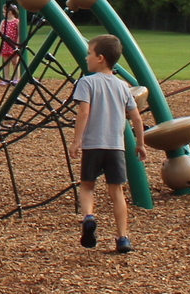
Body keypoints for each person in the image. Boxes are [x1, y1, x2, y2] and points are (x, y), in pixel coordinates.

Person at [68, 34, 147, 253]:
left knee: (87, 186)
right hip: (116, 147)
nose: (86, 58)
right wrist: (140, 144)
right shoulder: (123, 86)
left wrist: (76, 141)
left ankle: (89, 217)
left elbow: (84, 112)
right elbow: (137, 117)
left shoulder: (86, 82)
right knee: (117, 193)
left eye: (89, 53)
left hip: (93, 145)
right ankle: (122, 237)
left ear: (100, 58)